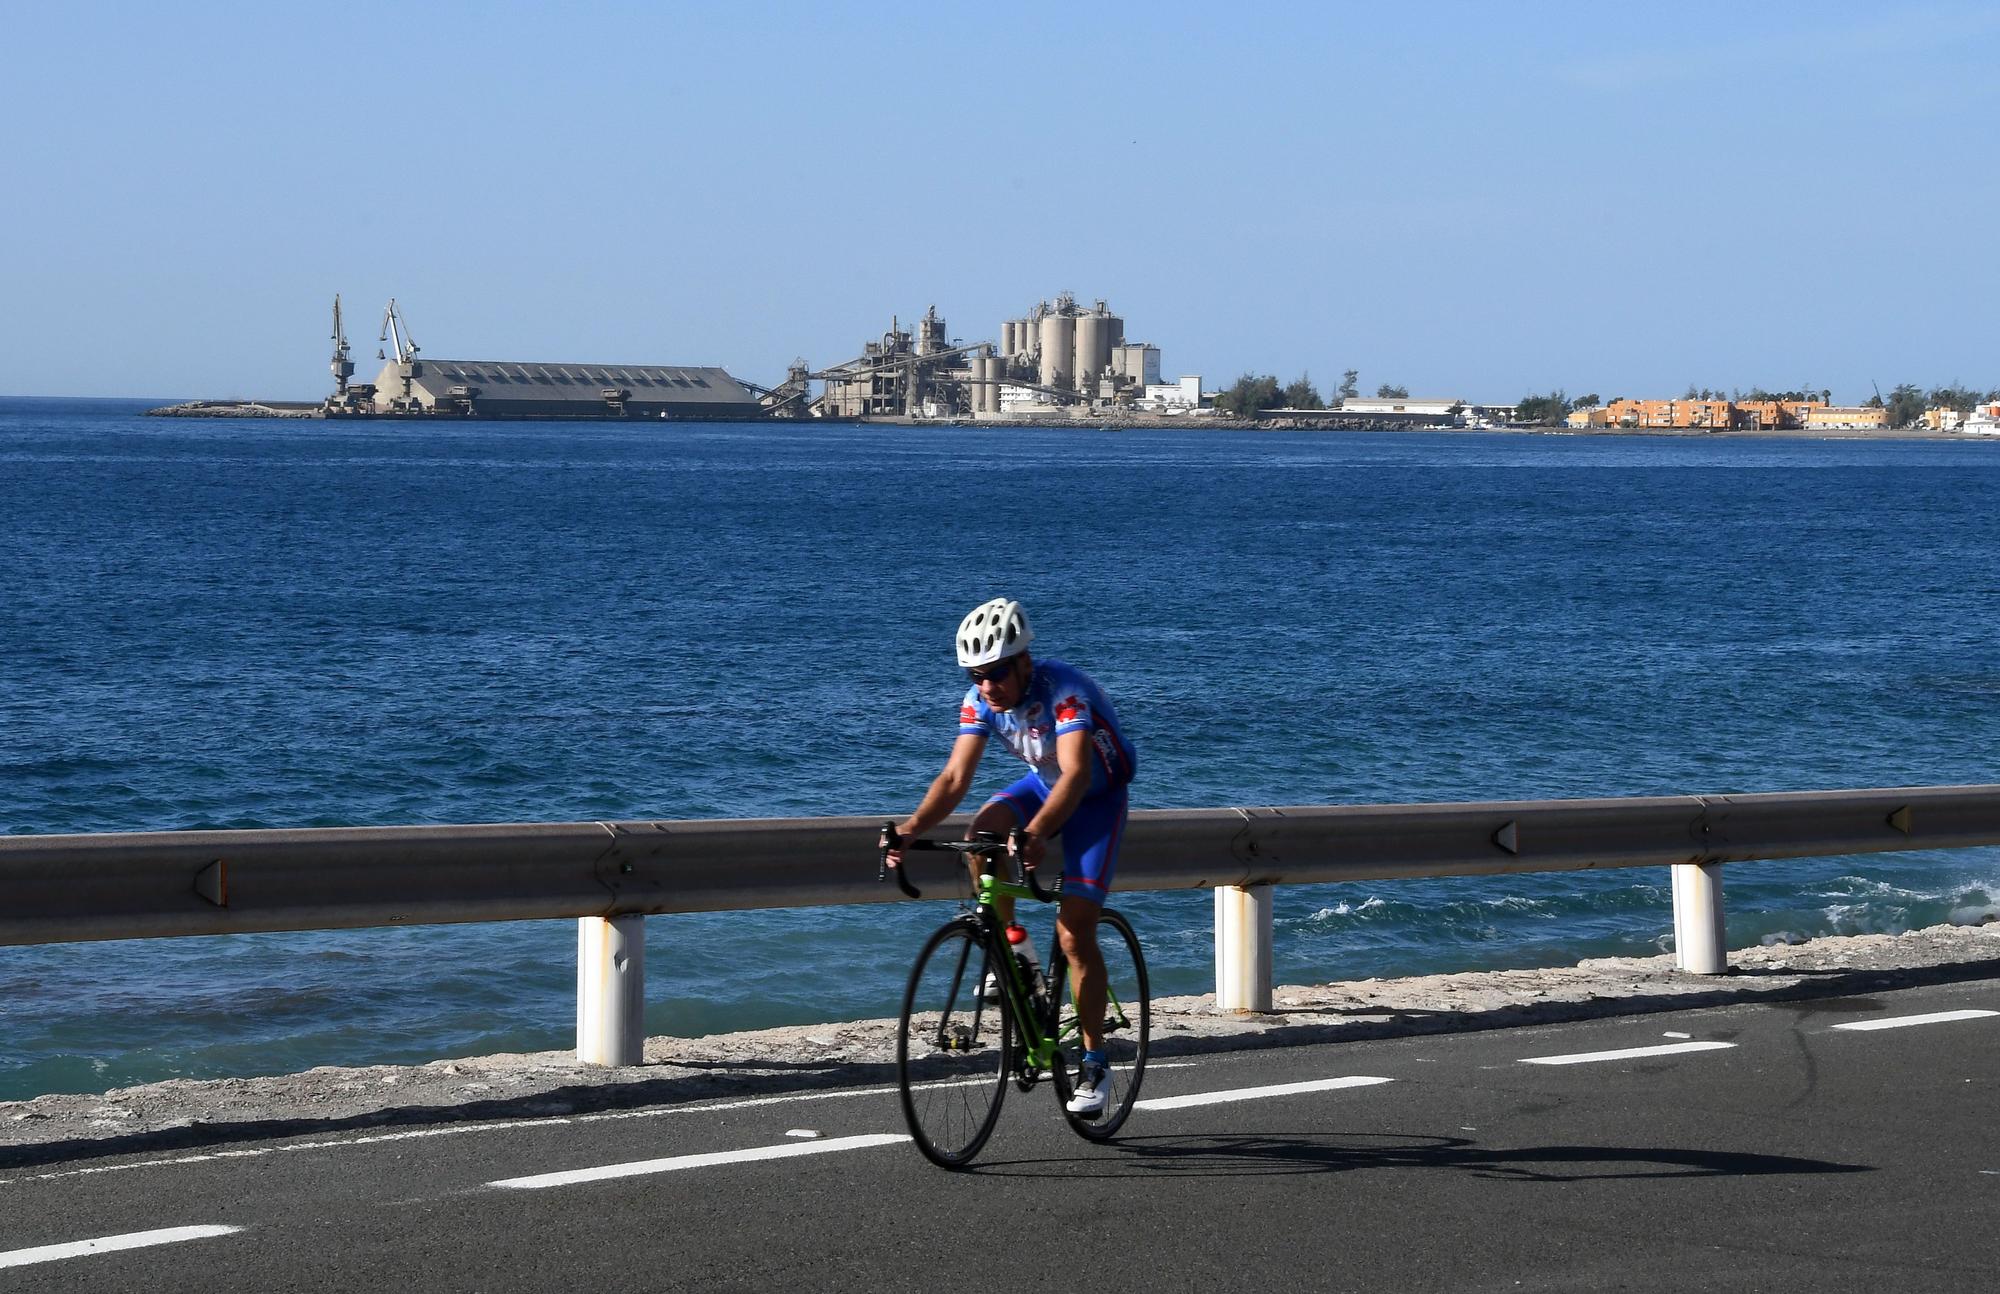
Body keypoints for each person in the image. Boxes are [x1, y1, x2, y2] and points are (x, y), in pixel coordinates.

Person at [889, 597, 1136, 1116]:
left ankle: (1094, 1061)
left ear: (1024, 660)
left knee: (1074, 932)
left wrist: (1038, 833)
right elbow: (956, 778)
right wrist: (908, 831)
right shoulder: (980, 702)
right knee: (981, 835)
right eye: (975, 675)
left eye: (995, 673)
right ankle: (1016, 956)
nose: (985, 686)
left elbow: (1076, 776)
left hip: (1095, 795)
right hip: (1043, 783)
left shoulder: (1065, 694)